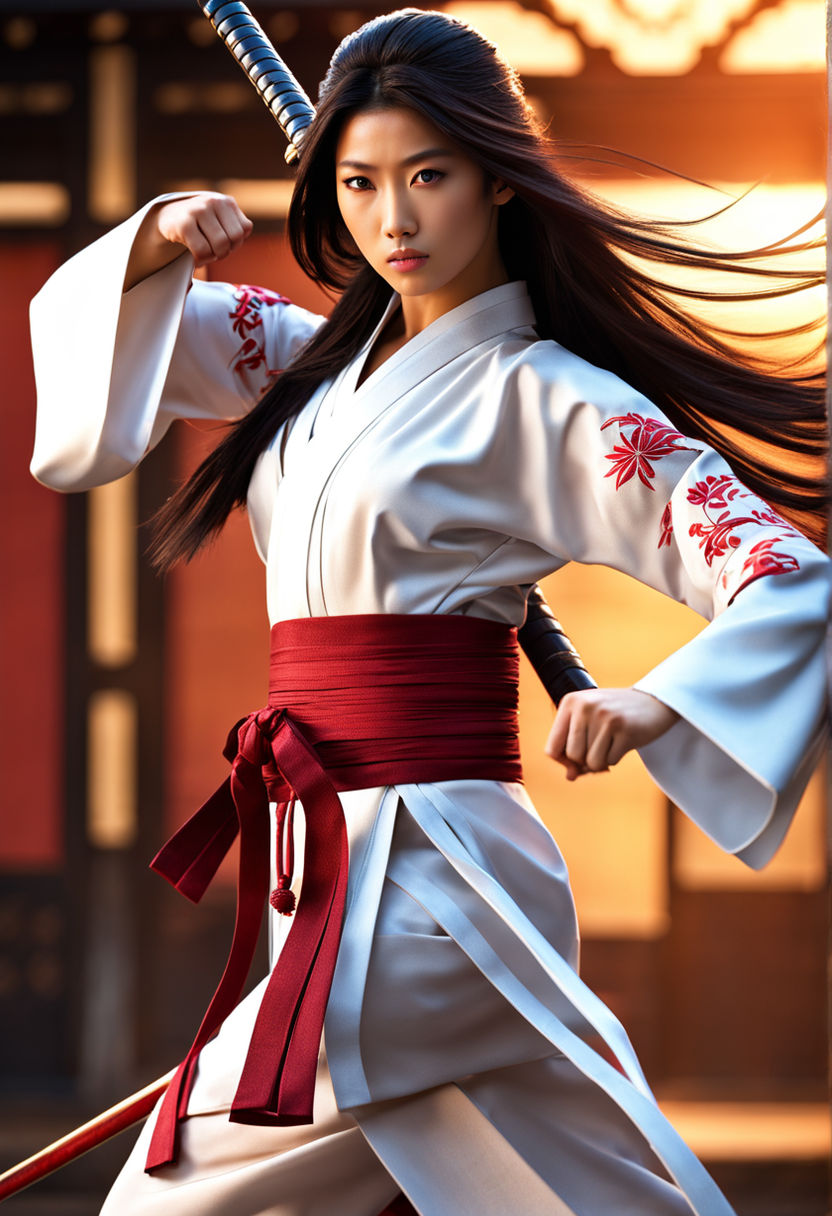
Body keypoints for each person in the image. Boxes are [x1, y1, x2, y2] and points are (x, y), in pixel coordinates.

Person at [29, 9, 829, 1215]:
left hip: (428, 877)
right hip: (333, 862)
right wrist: (153, 243)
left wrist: (655, 696)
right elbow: (121, 353)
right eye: (358, 183)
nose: (392, 220)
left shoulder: (549, 399)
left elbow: (784, 573)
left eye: (428, 177)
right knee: (575, 1191)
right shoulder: (305, 370)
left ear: (497, 183)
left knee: (169, 1197)